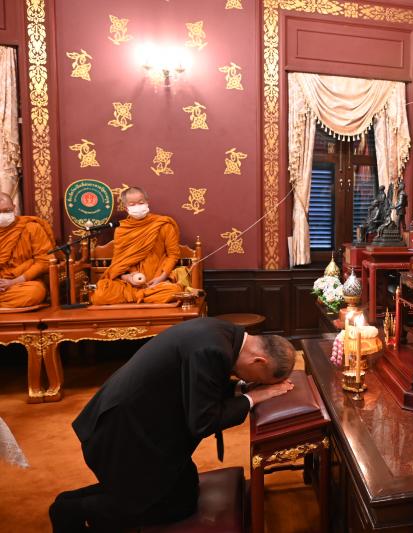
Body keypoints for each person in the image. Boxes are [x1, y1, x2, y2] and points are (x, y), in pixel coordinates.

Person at [49, 317, 297, 531]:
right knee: (174, 506)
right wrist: (253, 397)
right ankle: (70, 509)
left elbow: (205, 385)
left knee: (184, 489)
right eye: (259, 380)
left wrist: (243, 390)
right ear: (259, 361)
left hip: (149, 425)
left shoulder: (224, 333)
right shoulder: (212, 350)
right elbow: (203, 421)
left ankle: (76, 502)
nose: (255, 384)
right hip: (124, 434)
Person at [91, 186, 185, 305]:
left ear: (147, 202)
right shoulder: (122, 229)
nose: (137, 207)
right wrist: (128, 277)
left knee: (174, 291)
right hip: (130, 284)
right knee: (100, 295)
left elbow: (173, 255)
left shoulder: (163, 224)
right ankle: (143, 295)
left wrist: (161, 277)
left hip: (157, 281)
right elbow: (120, 261)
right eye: (132, 204)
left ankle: (139, 295)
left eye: (141, 203)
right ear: (126, 208)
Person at [0, 192, 55, 308]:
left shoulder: (31, 227)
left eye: (7, 210)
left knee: (35, 292)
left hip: (22, 283)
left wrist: (13, 282)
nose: (3, 215)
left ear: (14, 207)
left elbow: (44, 261)